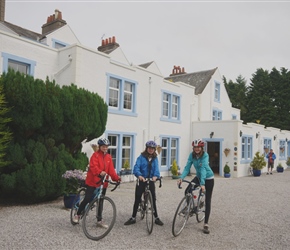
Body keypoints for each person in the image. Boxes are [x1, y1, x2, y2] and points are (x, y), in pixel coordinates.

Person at [73, 138, 121, 227]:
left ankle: (99, 220)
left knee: (101, 201)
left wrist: (116, 178)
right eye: (103, 146)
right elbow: (93, 167)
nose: (105, 148)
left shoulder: (108, 157)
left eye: (106, 146)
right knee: (87, 199)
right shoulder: (95, 156)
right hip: (93, 181)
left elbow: (111, 170)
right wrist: (99, 172)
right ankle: (78, 214)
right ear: (100, 147)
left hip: (103, 183)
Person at [177, 139, 214, 234]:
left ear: (202, 148)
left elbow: (203, 169)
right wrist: (181, 178)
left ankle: (206, 224)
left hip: (208, 178)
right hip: (198, 177)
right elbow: (187, 167)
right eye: (195, 147)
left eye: (198, 147)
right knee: (187, 190)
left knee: (208, 200)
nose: (197, 149)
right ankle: (190, 207)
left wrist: (202, 184)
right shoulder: (192, 155)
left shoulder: (205, 155)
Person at [124, 140, 164, 226]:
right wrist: (139, 176)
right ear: (147, 148)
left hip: (150, 180)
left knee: (153, 198)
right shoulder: (141, 157)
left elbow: (156, 169)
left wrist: (156, 176)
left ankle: (156, 217)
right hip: (142, 179)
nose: (151, 150)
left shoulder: (155, 158)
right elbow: (136, 167)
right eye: (149, 148)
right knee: (137, 198)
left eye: (152, 149)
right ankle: (133, 217)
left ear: (154, 150)